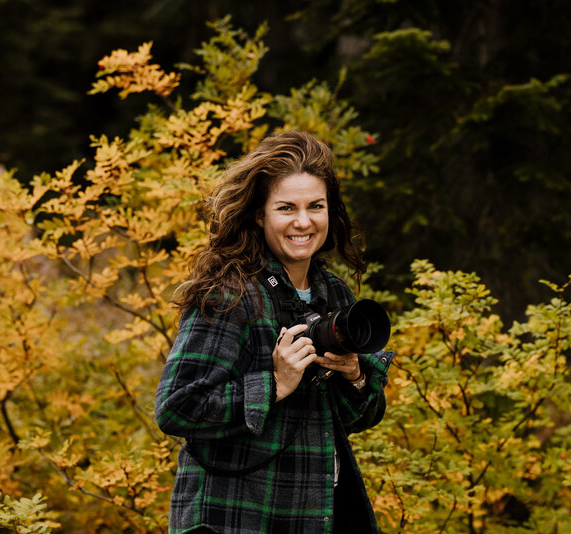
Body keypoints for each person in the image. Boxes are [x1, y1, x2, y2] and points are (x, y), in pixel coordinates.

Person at [155, 130, 393, 534]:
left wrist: (354, 374)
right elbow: (177, 407)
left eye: (316, 206)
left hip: (312, 511)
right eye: (286, 208)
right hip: (232, 517)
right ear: (260, 215)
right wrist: (274, 383)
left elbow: (355, 419)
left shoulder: (332, 293)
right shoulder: (230, 294)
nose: (303, 222)